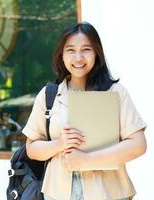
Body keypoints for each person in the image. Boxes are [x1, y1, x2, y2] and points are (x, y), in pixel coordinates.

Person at [22, 22, 147, 200]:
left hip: (108, 194)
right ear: (62, 56)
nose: (78, 57)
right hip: (58, 194)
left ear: (97, 53)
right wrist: (60, 144)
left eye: (86, 49)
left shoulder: (115, 92)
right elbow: (32, 149)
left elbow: (138, 144)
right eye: (71, 50)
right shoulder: (49, 95)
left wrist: (87, 160)